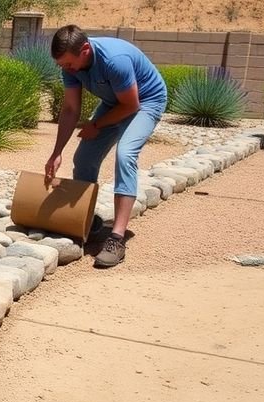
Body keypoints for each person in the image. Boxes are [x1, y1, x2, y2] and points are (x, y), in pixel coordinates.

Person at [44, 25, 167, 268]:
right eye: (61, 65)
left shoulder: (114, 60)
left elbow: (131, 106)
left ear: (85, 50)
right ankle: (86, 222)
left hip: (145, 102)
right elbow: (70, 109)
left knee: (125, 154)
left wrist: (96, 124)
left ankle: (117, 238)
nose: (65, 69)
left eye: (68, 64)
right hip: (115, 103)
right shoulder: (71, 64)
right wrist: (56, 152)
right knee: (84, 158)